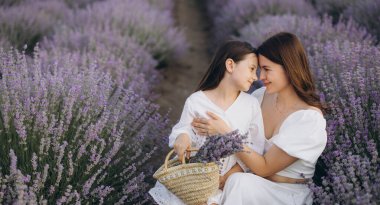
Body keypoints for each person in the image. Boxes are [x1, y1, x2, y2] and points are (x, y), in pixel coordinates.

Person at [192, 32, 327, 205]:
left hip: (284, 194)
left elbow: (264, 168)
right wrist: (222, 178)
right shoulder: (259, 96)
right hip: (247, 179)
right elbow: (245, 153)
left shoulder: (308, 119)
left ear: (288, 68)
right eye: (259, 69)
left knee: (239, 183)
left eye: (267, 69)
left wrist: (227, 134)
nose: (260, 77)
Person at [149, 40, 265, 205]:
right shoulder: (197, 101)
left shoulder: (251, 105)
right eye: (252, 69)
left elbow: (255, 147)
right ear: (230, 65)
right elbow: (184, 128)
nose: (255, 77)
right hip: (192, 181)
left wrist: (226, 177)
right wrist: (183, 137)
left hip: (228, 184)